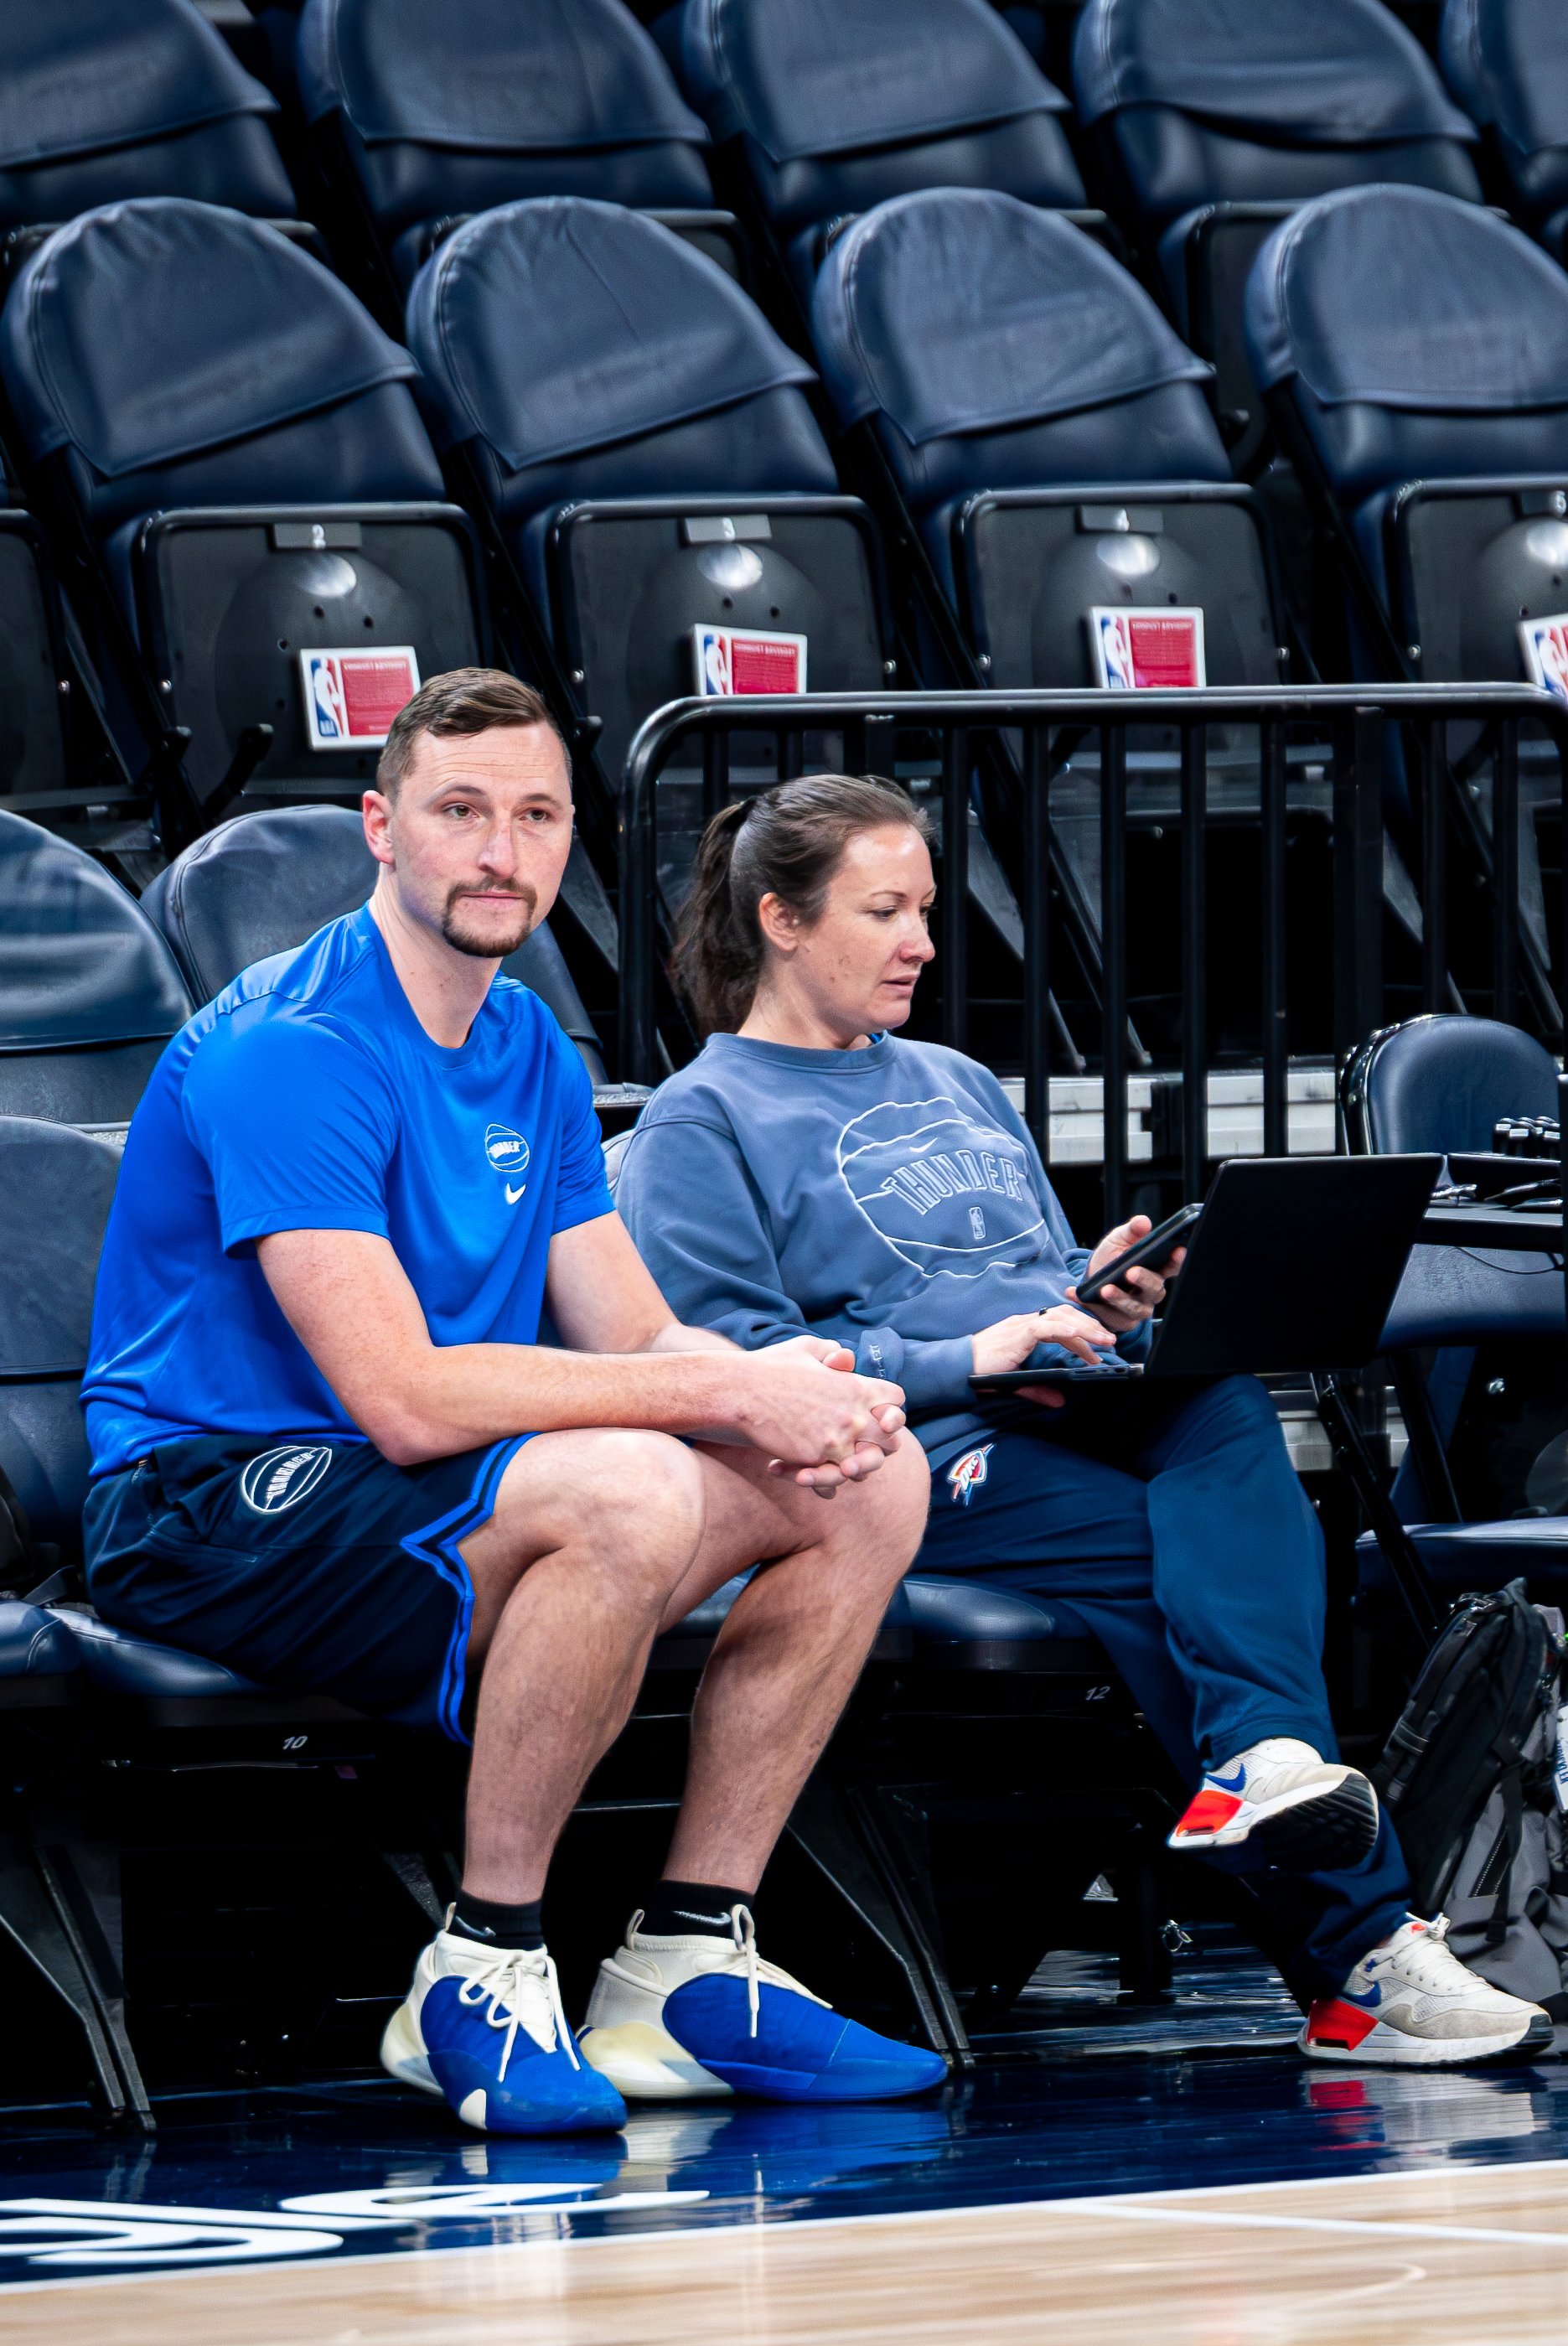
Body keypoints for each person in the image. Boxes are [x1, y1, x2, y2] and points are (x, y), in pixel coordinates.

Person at [80, 676, 942, 2136]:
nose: (501, 851)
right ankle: (481, 1963)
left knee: (874, 1472)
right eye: (460, 811)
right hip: (205, 1499)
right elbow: (405, 1399)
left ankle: (685, 1956)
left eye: (535, 815)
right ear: (382, 829)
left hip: (430, 1489)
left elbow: (636, 1326)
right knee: (632, 1484)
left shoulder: (529, 1042)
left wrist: (782, 1387)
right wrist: (712, 1390)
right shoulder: (290, 1048)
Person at [615, 773, 1551, 2069]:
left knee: (1225, 1399)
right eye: (884, 910)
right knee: (1179, 1560)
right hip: (907, 1456)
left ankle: (1272, 1768)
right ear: (780, 919)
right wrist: (960, 1355)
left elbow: (1033, 1281)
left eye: (928, 909)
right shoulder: (698, 1121)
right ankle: (1365, 1956)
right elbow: (740, 1374)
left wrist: (1104, 1294)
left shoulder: (955, 1078)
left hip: (1068, 1395)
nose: (924, 942)